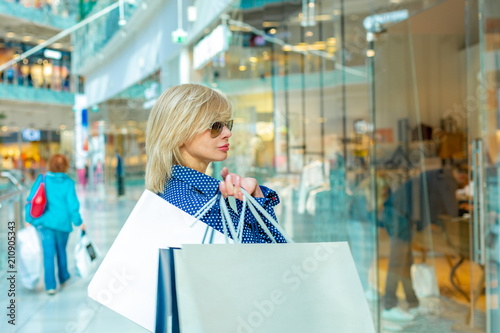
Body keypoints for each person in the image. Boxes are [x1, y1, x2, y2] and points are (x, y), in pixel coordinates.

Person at [145, 83, 286, 243]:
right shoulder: (202, 207)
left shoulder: (172, 192)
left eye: (227, 124)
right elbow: (274, 257)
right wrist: (258, 199)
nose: (228, 133)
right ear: (180, 133)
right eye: (216, 126)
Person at [381, 166, 464, 323]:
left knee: (405, 263)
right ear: (460, 173)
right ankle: (389, 306)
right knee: (398, 262)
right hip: (399, 216)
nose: (463, 181)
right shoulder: (446, 178)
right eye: (465, 177)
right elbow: (452, 210)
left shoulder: (438, 176)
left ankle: (412, 303)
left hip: (397, 214)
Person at [25, 154, 85, 295]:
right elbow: (73, 206)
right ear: (65, 166)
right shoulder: (69, 183)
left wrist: (28, 219)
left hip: (45, 224)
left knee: (48, 254)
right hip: (63, 225)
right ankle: (63, 278)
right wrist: (79, 222)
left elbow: (32, 199)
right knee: (61, 251)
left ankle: (50, 285)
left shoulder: (43, 179)